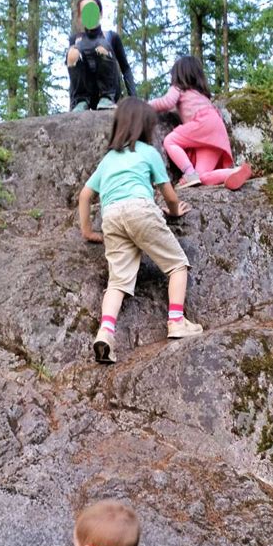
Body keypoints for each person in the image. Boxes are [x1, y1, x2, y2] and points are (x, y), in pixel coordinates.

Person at [79, 96, 203, 365]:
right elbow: (168, 193)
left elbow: (85, 195)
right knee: (177, 265)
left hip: (111, 217)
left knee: (118, 282)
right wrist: (172, 211)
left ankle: (106, 332)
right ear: (146, 126)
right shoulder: (147, 152)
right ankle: (176, 321)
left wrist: (88, 231)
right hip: (140, 210)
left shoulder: (109, 158)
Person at [149, 55, 252, 190]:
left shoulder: (178, 88)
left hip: (202, 123)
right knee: (202, 176)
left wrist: (145, 106)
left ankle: (189, 173)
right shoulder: (201, 95)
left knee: (170, 141)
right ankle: (234, 172)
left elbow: (167, 102)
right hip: (214, 131)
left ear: (178, 75)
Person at [67, 0, 137, 112]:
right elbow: (74, 75)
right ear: (80, 18)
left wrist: (134, 100)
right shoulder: (75, 39)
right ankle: (81, 101)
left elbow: (125, 69)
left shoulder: (112, 37)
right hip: (87, 91)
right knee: (72, 53)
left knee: (102, 46)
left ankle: (106, 97)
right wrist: (72, 104)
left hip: (110, 89)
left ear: (100, 14)